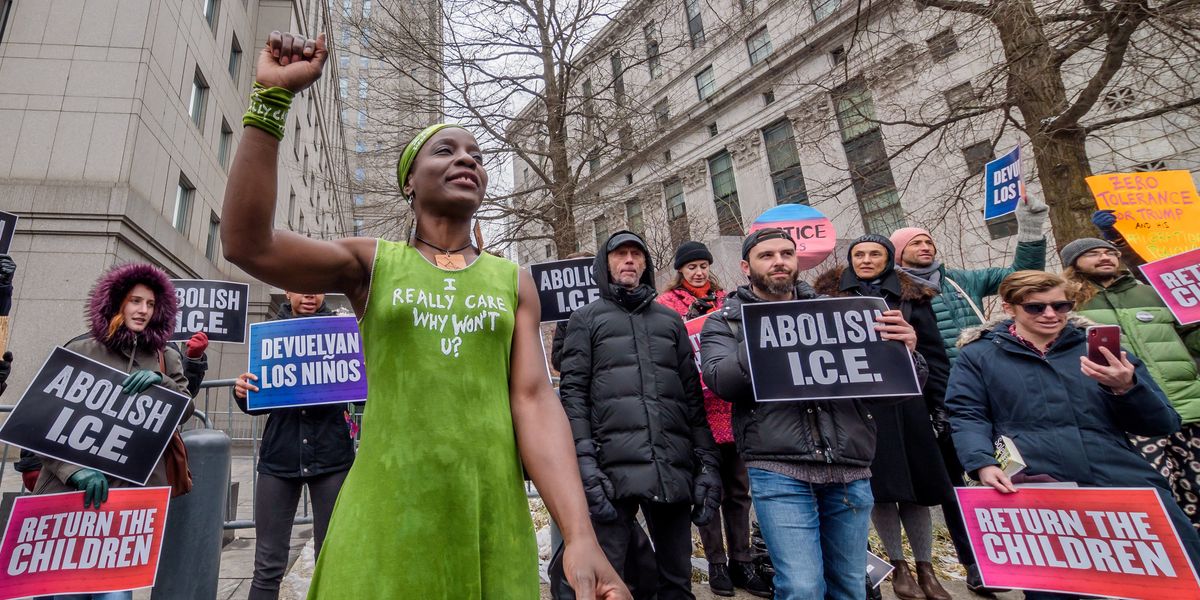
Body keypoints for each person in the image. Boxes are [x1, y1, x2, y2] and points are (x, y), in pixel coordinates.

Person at [222, 31, 626, 599]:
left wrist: (580, 535)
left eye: (477, 156)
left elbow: (534, 400)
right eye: (446, 150)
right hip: (386, 514)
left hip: (490, 518)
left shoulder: (513, 281)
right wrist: (269, 100)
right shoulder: (370, 263)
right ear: (409, 180)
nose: (467, 159)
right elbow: (248, 244)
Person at [701, 228, 925, 600]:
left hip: (848, 468)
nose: (779, 262)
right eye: (767, 255)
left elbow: (892, 394)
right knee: (801, 586)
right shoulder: (727, 322)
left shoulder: (839, 312)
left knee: (850, 585)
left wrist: (907, 353)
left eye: (786, 254)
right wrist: (766, 331)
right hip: (778, 470)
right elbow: (722, 381)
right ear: (746, 266)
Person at [946, 270, 1200, 599]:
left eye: (1061, 306)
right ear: (1009, 308)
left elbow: (1162, 423)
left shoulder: (1101, 347)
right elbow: (967, 413)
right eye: (1036, 308)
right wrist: (981, 463)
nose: (1051, 315)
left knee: (1173, 579)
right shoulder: (978, 355)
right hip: (1039, 486)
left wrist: (1127, 388)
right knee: (1056, 591)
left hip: (1116, 479)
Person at [889, 198, 1047, 592]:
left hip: (987, 391)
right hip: (939, 400)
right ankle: (976, 564)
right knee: (956, 487)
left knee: (1011, 475)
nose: (925, 247)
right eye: (915, 244)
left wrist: (1029, 228)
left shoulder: (963, 281)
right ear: (899, 254)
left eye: (928, 241)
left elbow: (1020, 275)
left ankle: (1026, 560)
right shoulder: (897, 295)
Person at [556, 230, 721, 600]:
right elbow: (574, 396)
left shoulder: (669, 321)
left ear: (645, 264)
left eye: (636, 254)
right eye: (620, 254)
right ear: (605, 264)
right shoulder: (584, 319)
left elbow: (691, 398)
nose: (628, 260)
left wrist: (708, 464)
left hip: (672, 468)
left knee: (676, 583)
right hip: (610, 471)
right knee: (609, 582)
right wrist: (584, 462)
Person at [34, 262, 194, 600]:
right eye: (136, 301)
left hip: (128, 503)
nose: (143, 310)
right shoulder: (81, 349)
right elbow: (40, 425)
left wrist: (161, 383)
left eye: (150, 304)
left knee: (116, 594)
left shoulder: (165, 356)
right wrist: (73, 471)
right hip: (71, 498)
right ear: (119, 302)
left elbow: (185, 408)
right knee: (66, 593)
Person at [814, 235, 953, 600]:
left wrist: (940, 404)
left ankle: (927, 567)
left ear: (888, 259)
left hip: (909, 403)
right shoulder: (830, 298)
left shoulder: (914, 297)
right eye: (858, 254)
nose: (866, 259)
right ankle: (899, 567)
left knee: (918, 490)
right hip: (863, 407)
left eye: (874, 253)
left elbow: (935, 354)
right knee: (882, 490)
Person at [655, 241, 770, 598]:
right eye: (691, 267)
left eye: (703, 265)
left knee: (739, 490)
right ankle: (716, 562)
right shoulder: (667, 305)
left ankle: (742, 560)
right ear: (681, 272)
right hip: (697, 410)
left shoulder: (729, 300)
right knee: (708, 492)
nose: (699, 272)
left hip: (733, 404)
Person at [1061, 238, 1200, 530]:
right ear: (1072, 263)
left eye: (1109, 252)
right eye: (1093, 254)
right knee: (1157, 495)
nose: (1104, 257)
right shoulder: (1065, 302)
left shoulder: (1152, 292)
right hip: (1133, 413)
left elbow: (1192, 343)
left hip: (1189, 404)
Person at [232, 292, 355, 600]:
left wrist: (363, 370)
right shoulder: (269, 336)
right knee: (268, 565)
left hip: (331, 459)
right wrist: (243, 393)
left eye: (316, 286)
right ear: (287, 291)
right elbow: (258, 405)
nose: (310, 294)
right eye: (300, 286)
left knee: (333, 559)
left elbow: (362, 396)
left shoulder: (342, 333)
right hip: (280, 458)